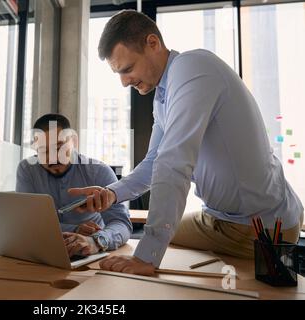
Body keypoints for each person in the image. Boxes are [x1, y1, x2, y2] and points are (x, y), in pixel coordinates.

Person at [68, 10, 304, 276]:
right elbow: (154, 164)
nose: (124, 82)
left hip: (259, 226)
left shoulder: (192, 68)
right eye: (118, 74)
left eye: (128, 69)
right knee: (141, 239)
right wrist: (111, 193)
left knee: (146, 251)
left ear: (153, 43)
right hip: (216, 218)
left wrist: (147, 258)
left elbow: (174, 162)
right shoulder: (163, 97)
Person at [16, 113, 132, 258]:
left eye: (59, 148)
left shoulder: (99, 171)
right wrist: (75, 229)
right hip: (43, 250)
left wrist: (96, 241)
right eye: (43, 151)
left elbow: (121, 223)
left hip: (89, 251)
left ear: (74, 142)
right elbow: (29, 221)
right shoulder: (27, 170)